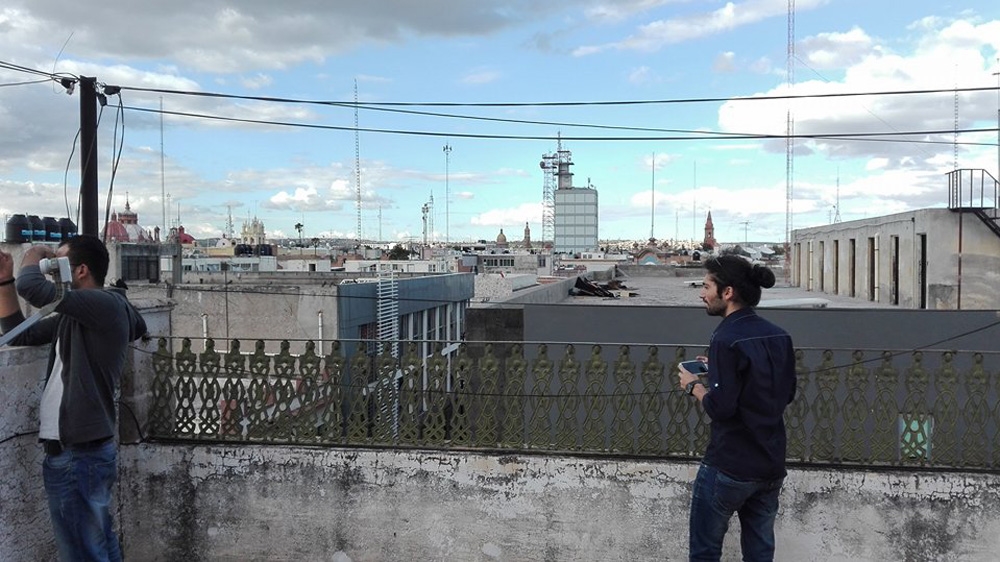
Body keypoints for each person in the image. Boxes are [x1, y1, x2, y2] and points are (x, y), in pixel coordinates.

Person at [0, 235, 147, 561]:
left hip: (79, 454)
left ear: (80, 271)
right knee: (98, 545)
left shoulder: (103, 304)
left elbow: (33, 288)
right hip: (79, 452)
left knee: (81, 552)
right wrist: (5, 280)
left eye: (57, 266)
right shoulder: (78, 315)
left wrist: (36, 252)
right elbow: (20, 332)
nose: (52, 275)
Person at [676, 255, 796, 562]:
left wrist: (695, 387)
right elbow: (784, 392)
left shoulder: (725, 336)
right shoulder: (779, 335)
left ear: (727, 292)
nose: (702, 294)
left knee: (704, 552)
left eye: (706, 286)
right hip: (770, 464)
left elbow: (722, 408)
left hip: (730, 465)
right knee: (759, 554)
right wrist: (717, 369)